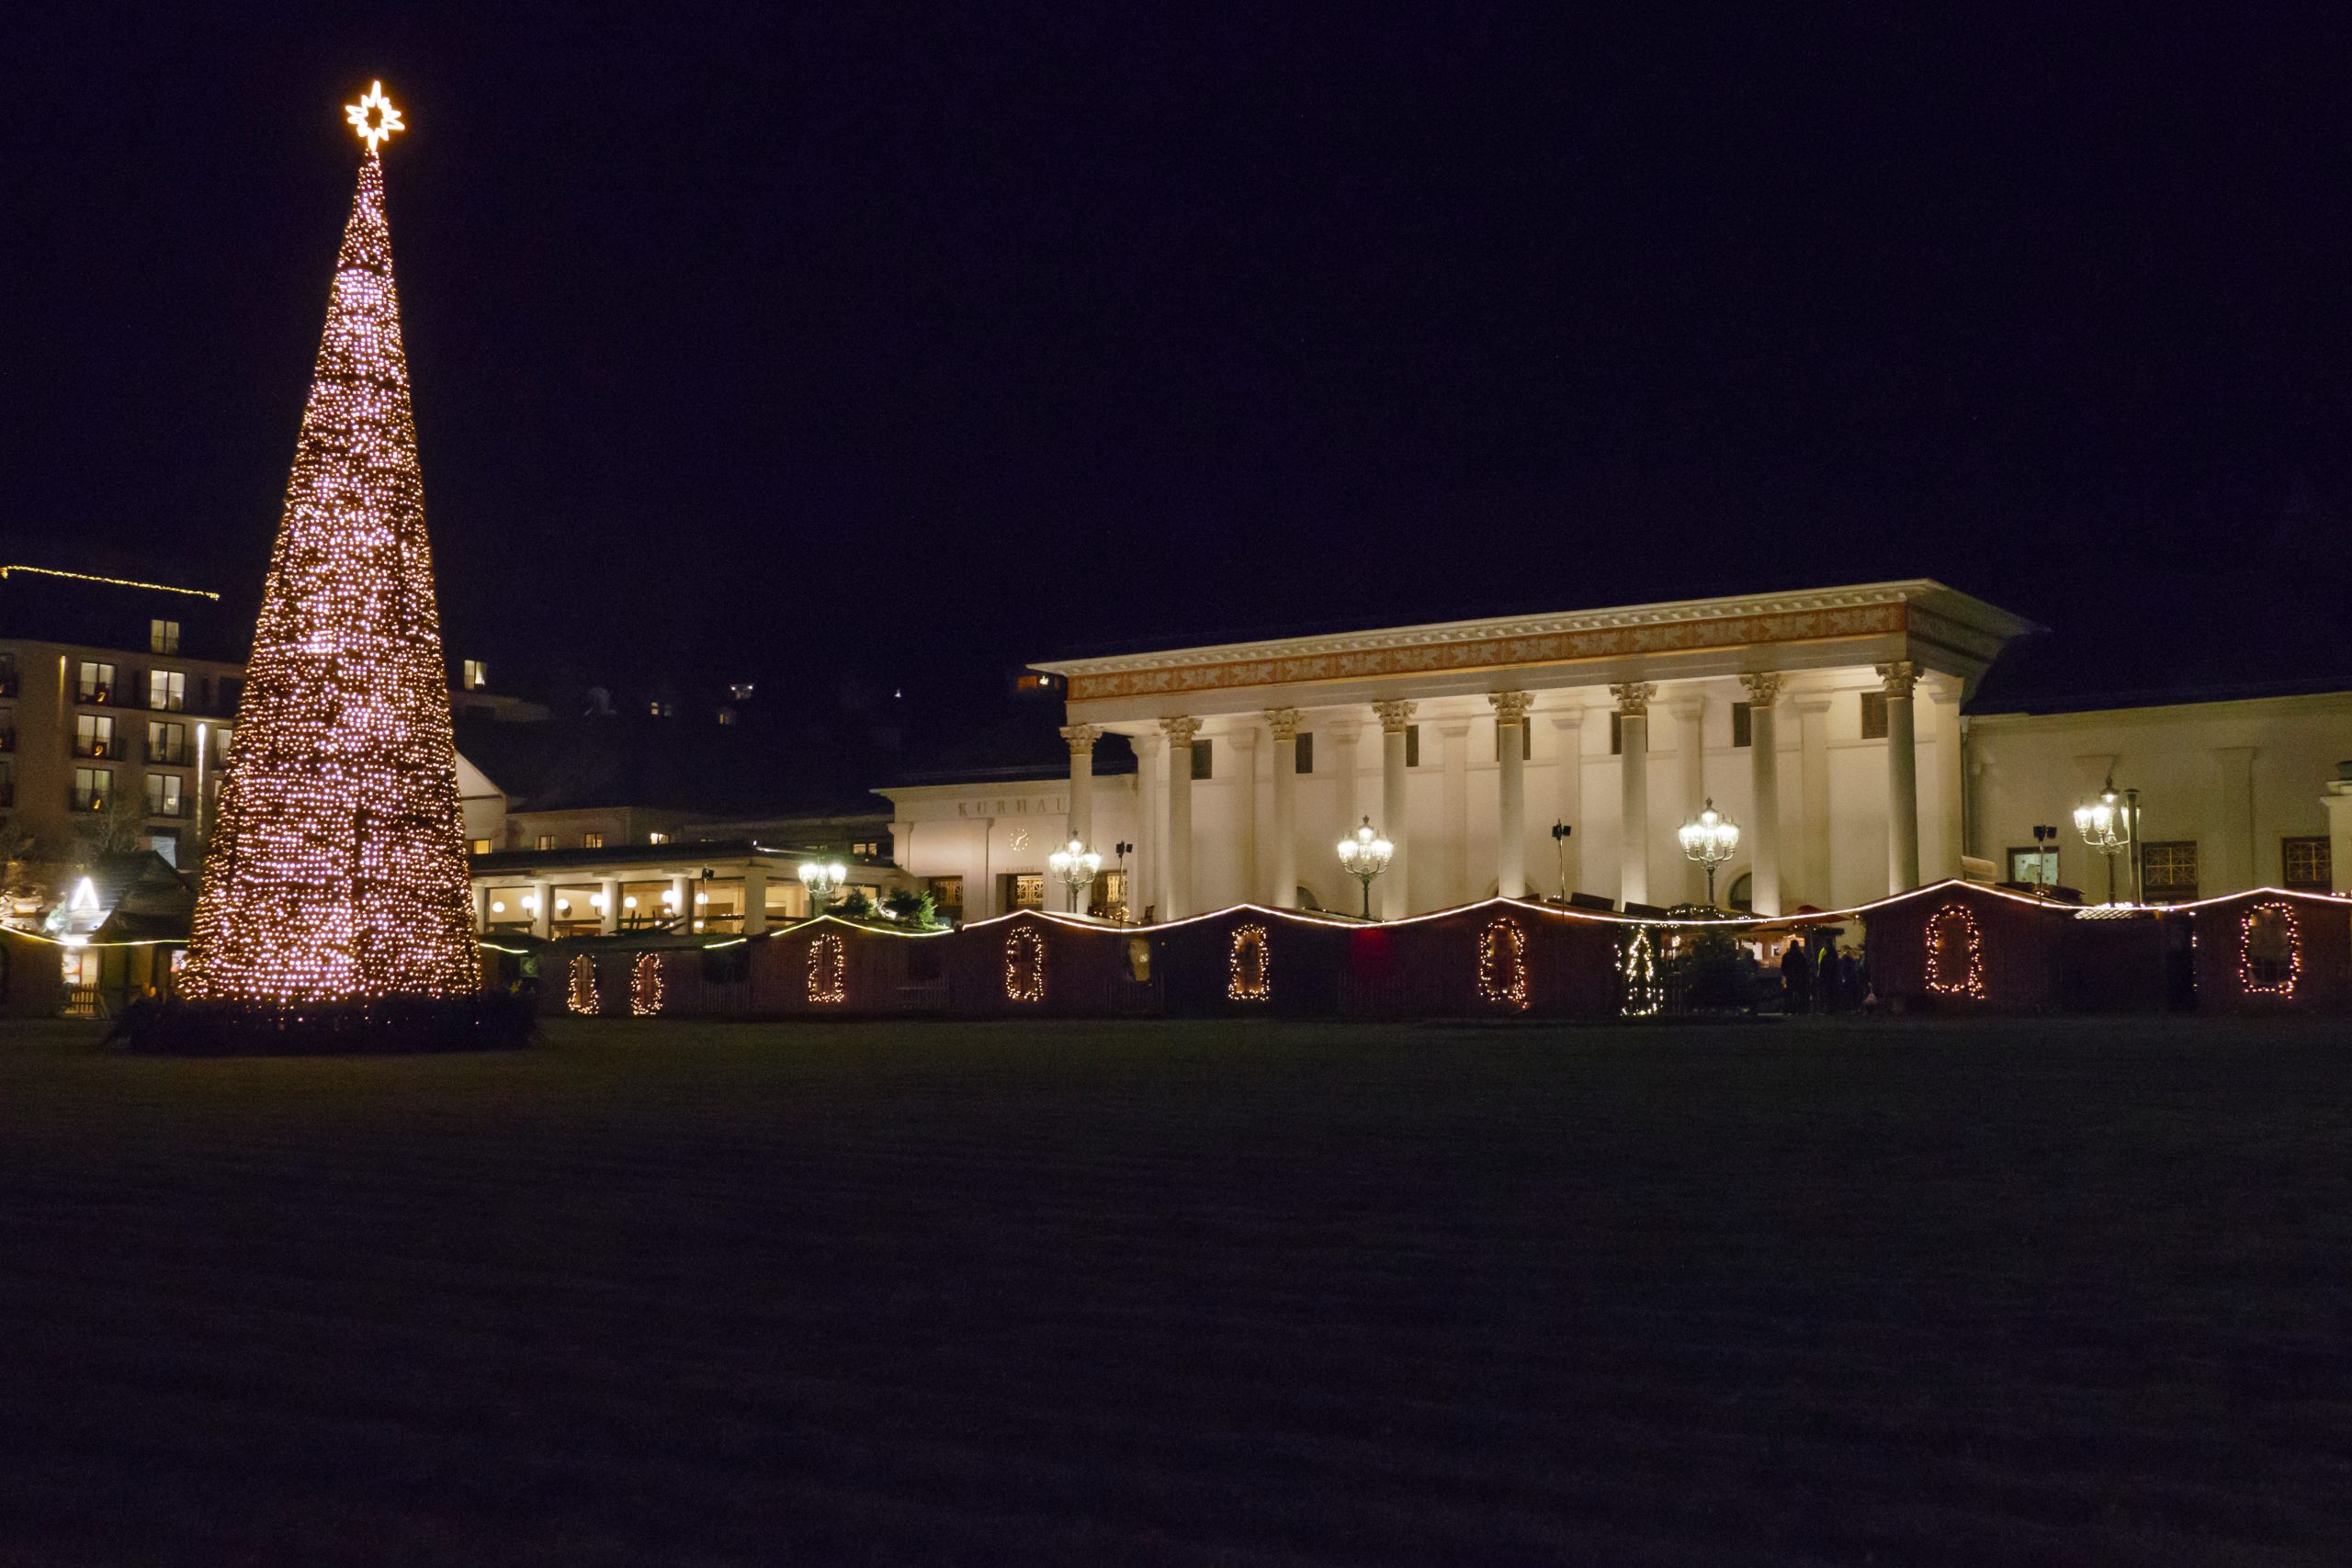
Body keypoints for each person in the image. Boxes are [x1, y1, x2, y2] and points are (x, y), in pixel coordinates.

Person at [1781, 938, 1812, 1013]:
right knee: (1800, 994)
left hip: (1790, 977)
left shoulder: (1786, 956)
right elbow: (1805, 967)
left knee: (1789, 994)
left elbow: (1783, 967)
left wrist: (1786, 974)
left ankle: (1789, 1009)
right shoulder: (1801, 955)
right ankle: (1801, 1009)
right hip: (1799, 978)